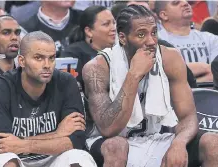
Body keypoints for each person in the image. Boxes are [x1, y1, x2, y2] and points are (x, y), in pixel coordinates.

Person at [83, 5, 218, 167]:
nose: (151, 41)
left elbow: (188, 117)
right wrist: (133, 75)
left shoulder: (170, 58)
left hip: (155, 137)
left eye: (154, 32)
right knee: (116, 146)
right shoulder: (97, 68)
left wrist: (178, 144)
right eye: (141, 34)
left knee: (212, 143)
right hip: (110, 142)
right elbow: (108, 128)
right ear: (123, 38)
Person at [0, 31, 97, 167]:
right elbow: (1, 145)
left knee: (79, 157)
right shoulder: (2, 86)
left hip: (53, 158)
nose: (47, 65)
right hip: (17, 158)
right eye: (39, 58)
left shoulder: (66, 82)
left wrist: (24, 145)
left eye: (52, 58)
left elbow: (76, 140)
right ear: (22, 61)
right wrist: (58, 133)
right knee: (6, 161)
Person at [154, 0, 218, 83]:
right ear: (164, 15)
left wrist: (180, 80)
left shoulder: (211, 38)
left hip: (211, 94)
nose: (185, 3)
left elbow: (215, 72)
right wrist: (203, 67)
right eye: (176, 3)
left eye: (186, 1)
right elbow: (162, 73)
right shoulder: (155, 41)